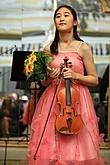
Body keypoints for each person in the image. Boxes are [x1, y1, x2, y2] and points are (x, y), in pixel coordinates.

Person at [28, 5, 107, 165]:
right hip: (53, 101)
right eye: (58, 16)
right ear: (55, 22)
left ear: (75, 22)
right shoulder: (48, 48)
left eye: (66, 15)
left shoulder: (83, 47)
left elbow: (94, 80)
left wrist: (76, 75)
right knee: (50, 150)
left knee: (77, 149)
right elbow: (43, 82)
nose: (61, 18)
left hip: (77, 102)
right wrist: (50, 77)